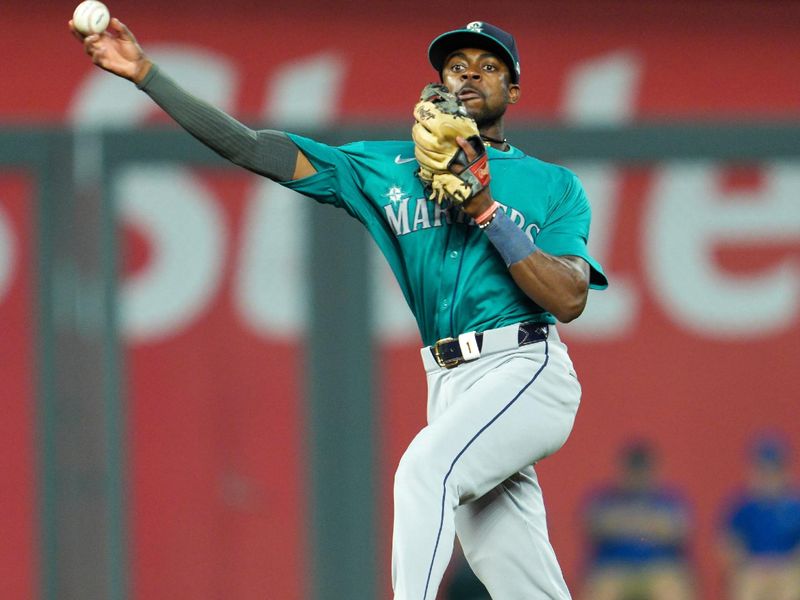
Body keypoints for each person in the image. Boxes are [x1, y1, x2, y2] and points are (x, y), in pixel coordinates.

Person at [72, 17, 607, 599]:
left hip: (527, 367)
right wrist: (148, 76)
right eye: (457, 66)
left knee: (426, 471)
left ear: (515, 88)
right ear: (439, 85)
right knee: (513, 567)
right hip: (450, 383)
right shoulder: (383, 169)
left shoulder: (552, 185)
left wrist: (485, 208)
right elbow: (255, 148)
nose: (471, 75)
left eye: (489, 66)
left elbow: (568, 297)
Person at [580, 441, 695, 600]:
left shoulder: (669, 499)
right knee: (603, 590)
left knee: (671, 591)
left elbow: (679, 529)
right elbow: (593, 525)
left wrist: (624, 522)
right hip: (615, 568)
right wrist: (648, 523)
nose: (637, 477)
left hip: (658, 568)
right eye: (633, 471)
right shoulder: (605, 498)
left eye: (642, 471)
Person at [719, 433, 800, 600]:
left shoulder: (794, 506)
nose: (768, 477)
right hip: (753, 568)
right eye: (763, 471)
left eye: (773, 470)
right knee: (748, 588)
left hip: (787, 568)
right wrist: (741, 561)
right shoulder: (742, 507)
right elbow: (727, 543)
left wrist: (787, 563)